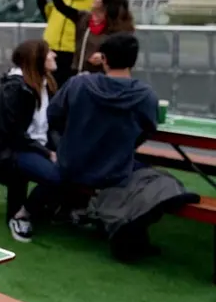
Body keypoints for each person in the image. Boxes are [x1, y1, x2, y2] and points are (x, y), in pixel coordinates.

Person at [48, 32, 158, 190]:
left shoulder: (78, 84)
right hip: (115, 172)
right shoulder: (145, 95)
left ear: (104, 59)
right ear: (133, 61)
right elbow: (148, 130)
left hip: (71, 166)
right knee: (148, 169)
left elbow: (53, 115)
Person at [0, 40, 60, 242]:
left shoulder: (44, 84)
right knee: (57, 177)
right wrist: (47, 153)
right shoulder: (14, 88)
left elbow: (52, 125)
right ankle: (22, 214)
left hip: (32, 147)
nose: (54, 55)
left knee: (72, 168)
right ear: (37, 58)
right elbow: (13, 134)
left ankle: (50, 209)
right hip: (10, 152)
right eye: (49, 52)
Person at [43, 0, 134, 75]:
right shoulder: (84, 18)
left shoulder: (119, 28)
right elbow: (61, 6)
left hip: (101, 77)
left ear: (108, 3)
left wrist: (104, 56)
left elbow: (125, 54)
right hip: (78, 73)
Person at [39, 0, 95, 88]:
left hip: (71, 50)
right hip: (51, 46)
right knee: (47, 84)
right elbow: (48, 15)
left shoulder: (92, 1)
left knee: (66, 86)